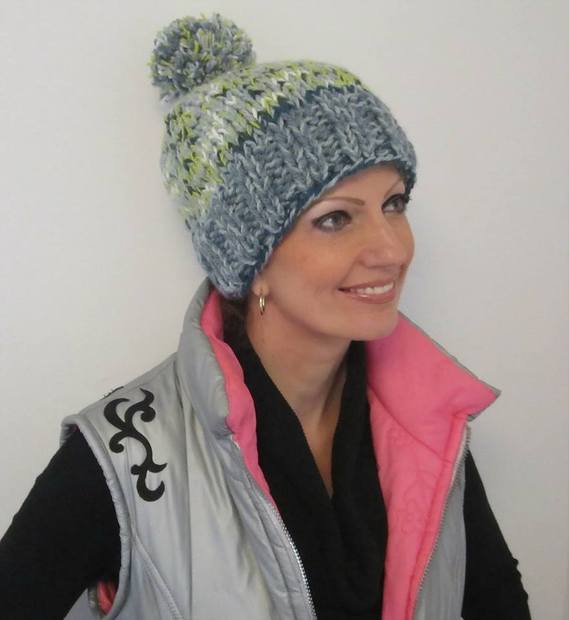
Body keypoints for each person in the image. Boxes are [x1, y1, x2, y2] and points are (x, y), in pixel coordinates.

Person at [0, 13, 531, 620]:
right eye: (336, 218)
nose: (392, 249)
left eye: (394, 203)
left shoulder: (425, 423)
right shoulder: (125, 457)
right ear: (250, 261)